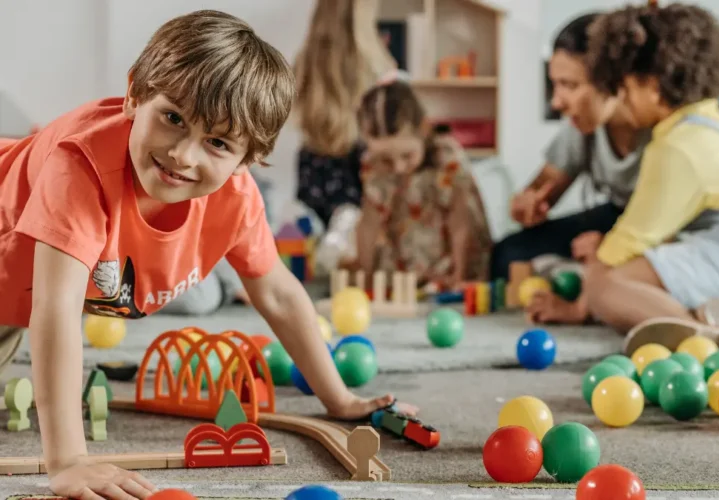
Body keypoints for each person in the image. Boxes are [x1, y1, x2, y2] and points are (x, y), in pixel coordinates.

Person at [0, 11, 414, 499]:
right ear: (135, 94)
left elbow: (278, 292)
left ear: (248, 160)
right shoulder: (79, 168)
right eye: (172, 118)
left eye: (217, 143)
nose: (184, 155)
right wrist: (67, 460)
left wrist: (339, 398)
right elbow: (55, 308)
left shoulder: (236, 198)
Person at [580, 2, 719, 354]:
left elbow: (627, 242)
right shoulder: (710, 120)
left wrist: (581, 301)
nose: (623, 101)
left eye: (625, 88)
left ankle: (700, 337)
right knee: (626, 273)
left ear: (652, 85)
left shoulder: (677, 147)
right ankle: (711, 316)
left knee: (603, 286)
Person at [489, 12, 650, 323]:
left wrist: (612, 250)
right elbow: (543, 187)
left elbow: (668, 228)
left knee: (616, 266)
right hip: (615, 215)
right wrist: (527, 204)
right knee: (507, 253)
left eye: (570, 85)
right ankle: (584, 277)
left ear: (613, 81)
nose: (556, 102)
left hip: (659, 228)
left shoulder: (662, 133)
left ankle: (591, 287)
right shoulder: (582, 127)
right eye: (554, 84)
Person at [353, 80, 493, 290]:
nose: (398, 167)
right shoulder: (373, 165)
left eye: (407, 156)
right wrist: (366, 277)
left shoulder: (445, 157)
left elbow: (461, 221)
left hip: (450, 259)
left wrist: (460, 275)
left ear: (424, 129)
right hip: (404, 264)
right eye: (386, 159)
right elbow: (368, 224)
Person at [292, 0, 396, 229]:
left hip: (315, 167)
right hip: (360, 167)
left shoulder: (306, 59)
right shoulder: (376, 64)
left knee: (314, 249)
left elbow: (297, 115)